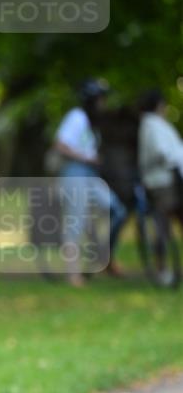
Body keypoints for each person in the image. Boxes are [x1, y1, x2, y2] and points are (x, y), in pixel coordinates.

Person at [54, 78, 128, 287]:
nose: (103, 103)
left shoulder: (92, 123)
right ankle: (73, 274)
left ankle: (105, 258)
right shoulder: (77, 117)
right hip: (74, 173)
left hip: (90, 175)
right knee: (76, 221)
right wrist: (86, 158)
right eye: (101, 99)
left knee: (116, 209)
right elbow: (60, 144)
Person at [137, 89, 183, 282]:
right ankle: (162, 269)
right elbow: (161, 151)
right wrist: (173, 159)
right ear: (158, 105)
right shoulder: (151, 124)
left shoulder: (156, 124)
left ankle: (166, 268)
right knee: (162, 225)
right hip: (161, 181)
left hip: (170, 179)